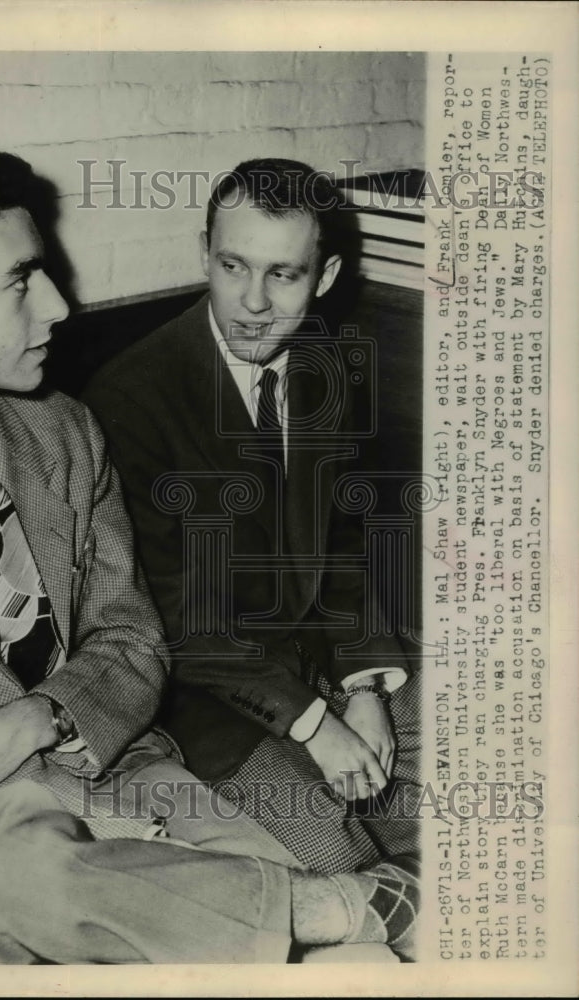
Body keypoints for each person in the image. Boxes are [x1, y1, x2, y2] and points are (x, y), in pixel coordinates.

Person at [0, 142, 419, 967]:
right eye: (22, 279)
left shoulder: (60, 428)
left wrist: (45, 718)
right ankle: (340, 902)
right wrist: (149, 840)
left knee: (341, 949)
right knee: (273, 907)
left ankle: (334, 904)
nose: (61, 305)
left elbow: (132, 636)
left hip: (117, 756)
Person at [84, 158, 421, 873]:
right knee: (334, 859)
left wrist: (363, 687)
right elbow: (174, 618)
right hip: (206, 701)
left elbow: (343, 543)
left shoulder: (326, 366)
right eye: (233, 266)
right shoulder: (129, 398)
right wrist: (314, 725)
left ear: (323, 277)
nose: (253, 303)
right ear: (203, 252)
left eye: (283, 274)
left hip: (324, 663)